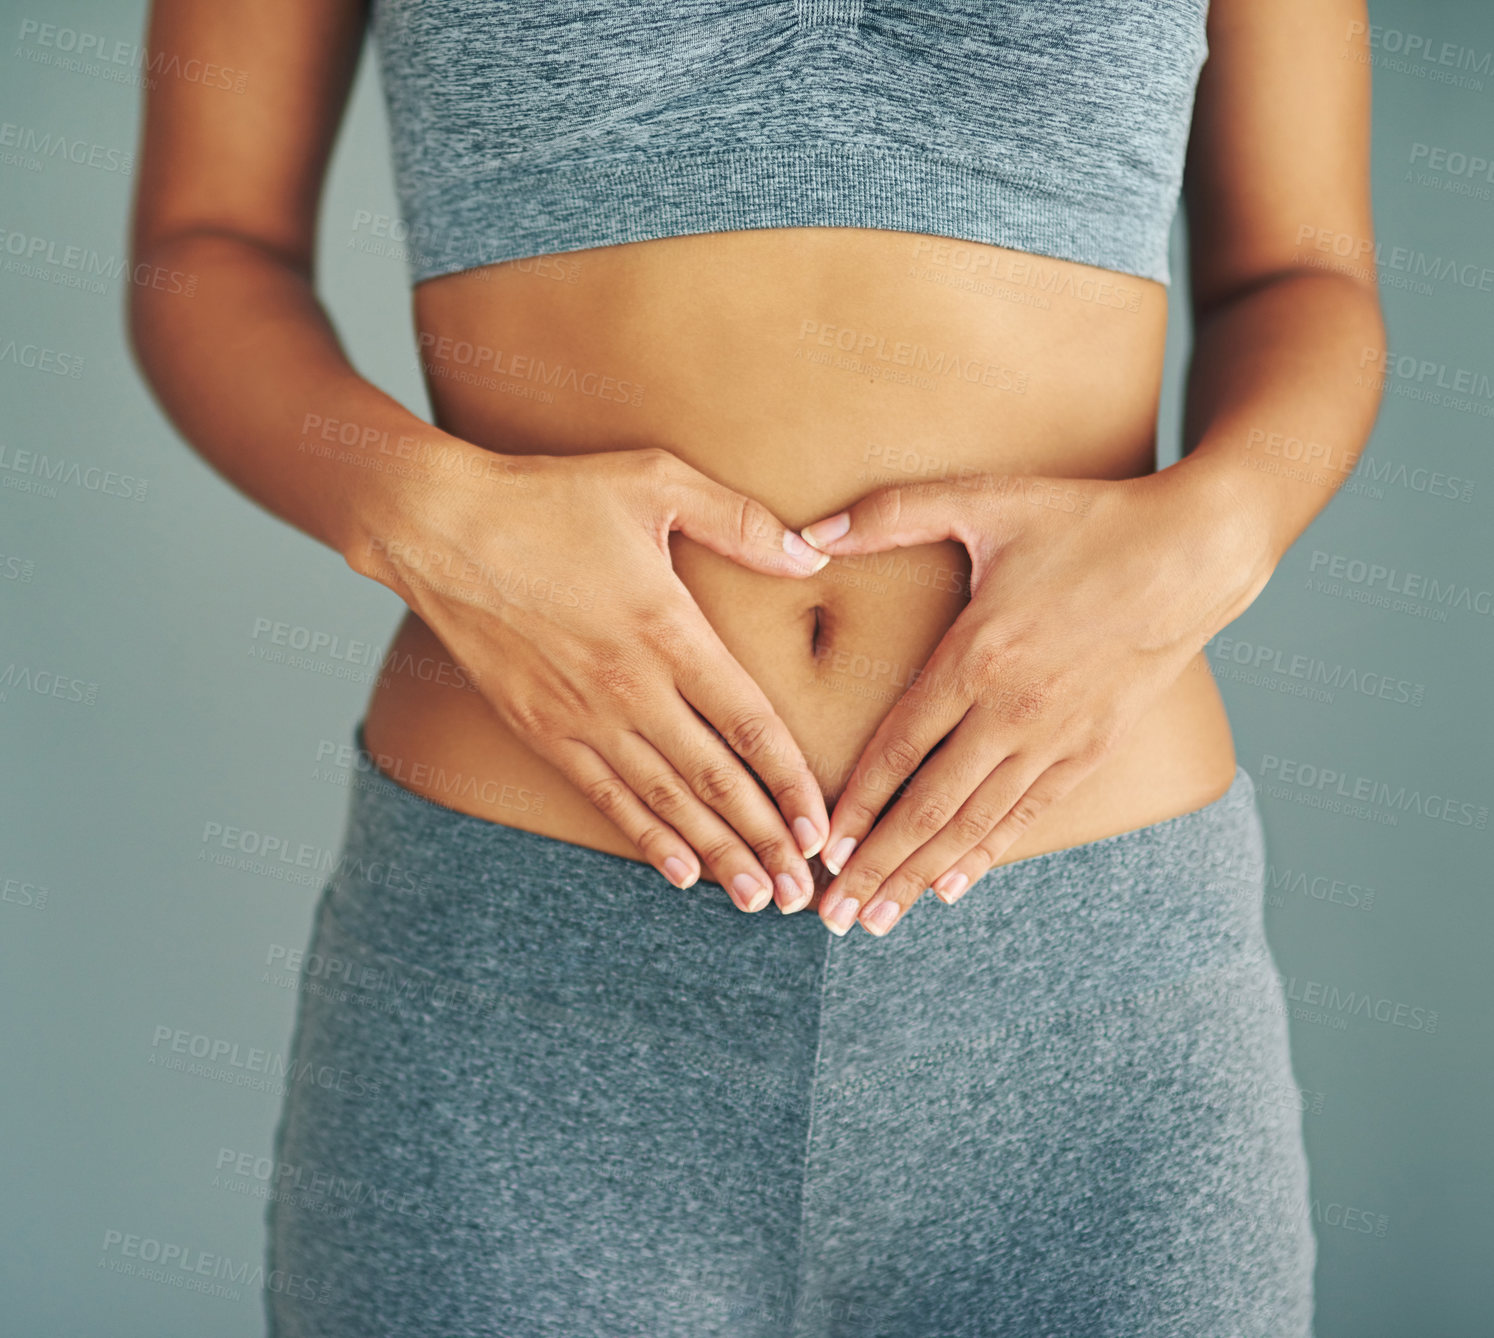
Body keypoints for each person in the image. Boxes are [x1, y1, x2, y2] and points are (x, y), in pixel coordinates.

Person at [128, 0, 1384, 1333]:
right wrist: (429, 513)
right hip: (520, 991)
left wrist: (1226, 520)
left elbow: (1300, 275)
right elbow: (206, 249)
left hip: (1098, 1014)